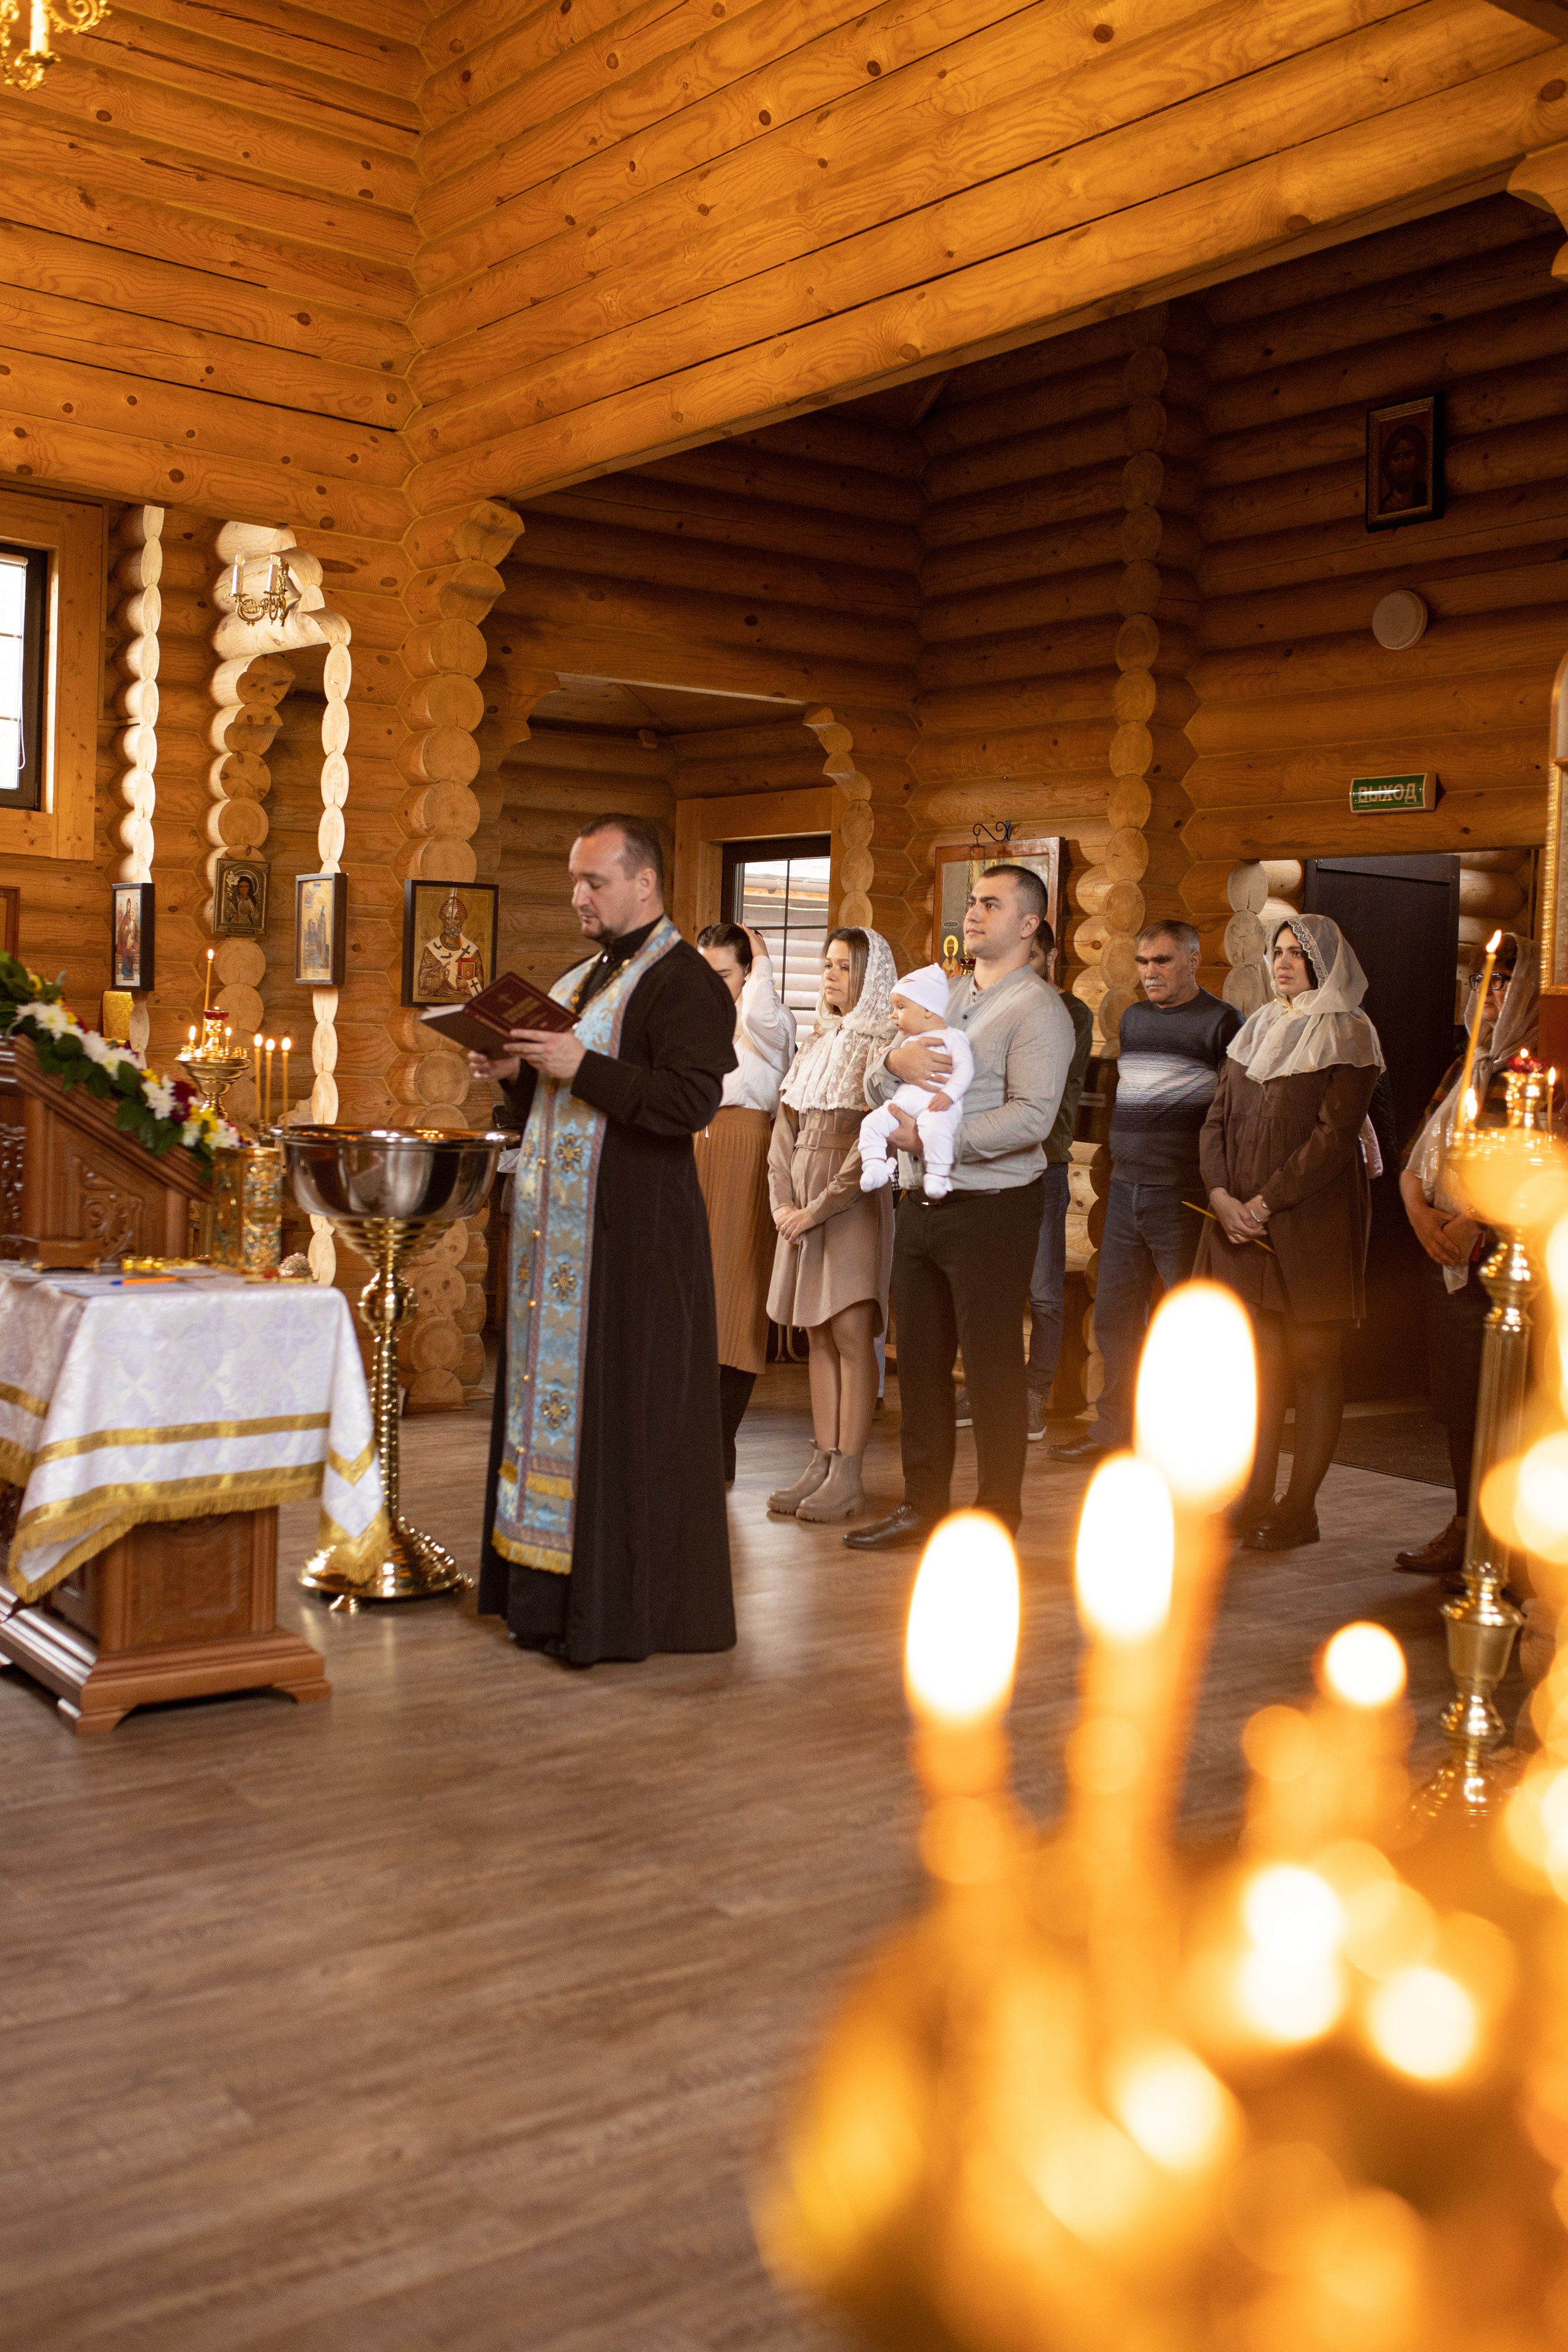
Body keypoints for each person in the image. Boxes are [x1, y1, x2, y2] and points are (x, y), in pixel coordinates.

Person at [470, 814, 738, 1666]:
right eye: (575, 883)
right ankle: (544, 1602)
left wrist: (576, 1066)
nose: (579, 897)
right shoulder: (582, 977)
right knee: (557, 1419)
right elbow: (553, 1106)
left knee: (622, 1420)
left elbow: (689, 1104)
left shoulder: (684, 981)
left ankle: (615, 1611)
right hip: (560, 1249)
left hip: (633, 1245)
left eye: (596, 881)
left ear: (646, 882)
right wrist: (516, 1077)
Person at [847, 864, 1072, 1552]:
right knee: (915, 1360)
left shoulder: (1038, 1011)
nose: (972, 914)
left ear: (1029, 924)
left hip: (993, 1207)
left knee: (991, 1362)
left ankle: (997, 1514)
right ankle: (923, 1507)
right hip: (918, 1201)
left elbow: (1032, 1119)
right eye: (971, 902)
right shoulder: (941, 994)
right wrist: (893, 1060)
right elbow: (870, 1078)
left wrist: (938, 1139)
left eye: (991, 904)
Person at [1197, 911, 1384, 1551]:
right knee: (1264, 1364)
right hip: (1241, 1220)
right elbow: (1216, 1119)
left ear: (1324, 964)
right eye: (1277, 952)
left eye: (1297, 954)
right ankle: (1252, 1497)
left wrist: (1264, 1203)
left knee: (1312, 1361)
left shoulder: (1350, 1033)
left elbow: (1333, 1140)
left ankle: (1298, 1507)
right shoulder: (1260, 1026)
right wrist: (1222, 1196)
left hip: (1311, 1223)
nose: (1282, 963)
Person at [1050, 921, 1241, 1466]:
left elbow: (1231, 1112)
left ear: (1192, 960)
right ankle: (1115, 1430)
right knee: (1114, 1316)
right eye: (1142, 962)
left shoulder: (1223, 1022)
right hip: (1125, 1189)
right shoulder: (1133, 1019)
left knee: (1184, 1322)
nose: (1149, 972)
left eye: (1161, 961)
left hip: (1181, 1194)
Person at [1395, 933, 1537, 1580]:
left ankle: (1501, 1543)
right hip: (1444, 1253)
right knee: (1458, 1402)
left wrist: (1468, 1222)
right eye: (1487, 983)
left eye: (1507, 982)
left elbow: (1530, 1168)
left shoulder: (1536, 1068)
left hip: (1500, 1260)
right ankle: (1461, 1525)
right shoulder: (1464, 1066)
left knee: (1504, 1401)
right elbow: (1417, 1152)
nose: (1494, 994)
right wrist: (1420, 1212)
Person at [764, 927, 899, 1526]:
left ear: (870, 977)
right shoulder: (817, 1045)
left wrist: (816, 1208)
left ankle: (849, 1470)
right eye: (826, 965)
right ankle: (820, 1459)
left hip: (847, 1206)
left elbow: (871, 1147)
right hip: (797, 1207)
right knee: (815, 1336)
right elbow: (782, 1135)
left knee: (848, 1333)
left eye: (843, 967)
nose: (829, 976)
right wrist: (780, 1205)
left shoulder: (885, 1049)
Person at [695, 921, 797, 1483]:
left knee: (736, 1290)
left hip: (745, 1146)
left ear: (749, 973)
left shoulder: (770, 1021)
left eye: (725, 974)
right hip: (692, 1147)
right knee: (690, 1291)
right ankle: (686, 1434)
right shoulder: (691, 1020)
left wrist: (761, 959)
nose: (713, 985)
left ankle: (720, 1440)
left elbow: (761, 1014)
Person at [1025, 919, 1095, 1439]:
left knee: (1045, 1294)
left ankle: (1033, 1395)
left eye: (1028, 958)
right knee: (994, 1293)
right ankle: (994, 1389)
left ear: (1050, 958)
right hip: (994, 1169)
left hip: (1045, 1164)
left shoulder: (1071, 1013)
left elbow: (1042, 1078)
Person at [859, 963, 975, 1197]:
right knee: (870, 1125)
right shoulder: (907, 1040)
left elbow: (966, 1069)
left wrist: (949, 1094)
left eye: (901, 1007)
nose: (893, 1014)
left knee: (936, 1130)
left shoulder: (954, 1037)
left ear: (928, 1009)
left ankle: (937, 1176)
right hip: (903, 1105)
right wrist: (892, 1059)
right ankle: (874, 1166)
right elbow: (876, 1080)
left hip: (935, 1104)